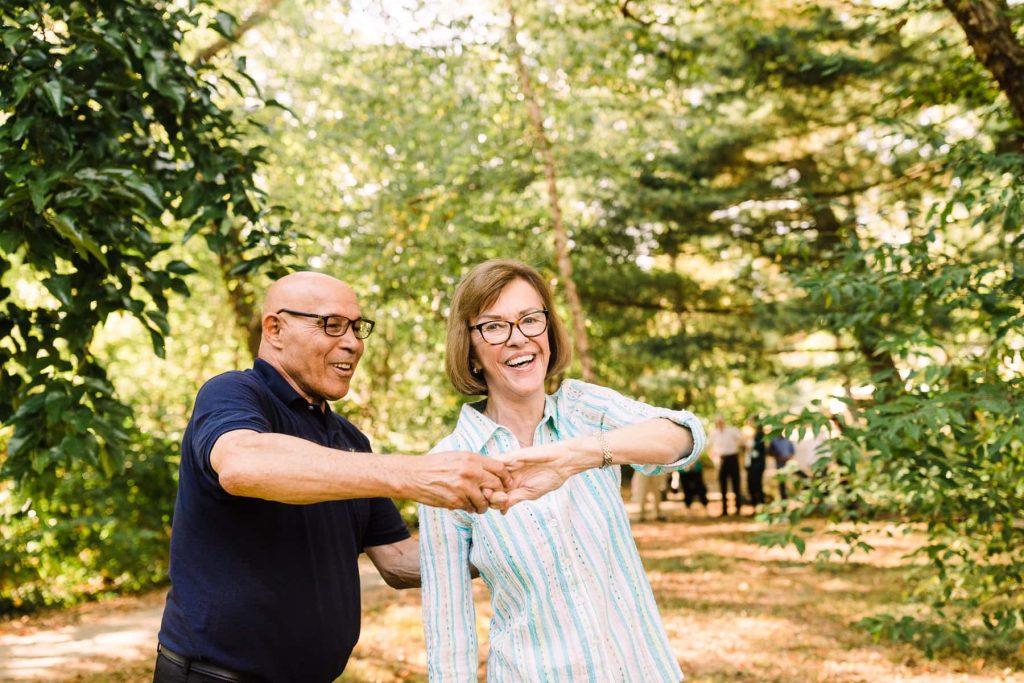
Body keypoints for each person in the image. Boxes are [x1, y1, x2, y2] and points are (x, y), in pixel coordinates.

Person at [154, 272, 513, 683]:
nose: (353, 343)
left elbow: (397, 562)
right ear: (275, 329)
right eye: (332, 325)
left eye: (357, 328)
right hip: (213, 676)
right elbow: (243, 465)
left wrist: (502, 548)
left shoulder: (349, 439)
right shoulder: (234, 393)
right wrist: (414, 472)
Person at [418, 259, 707, 682]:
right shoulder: (451, 463)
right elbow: (449, 633)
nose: (519, 339)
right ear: (471, 349)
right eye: (494, 326)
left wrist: (579, 455)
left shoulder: (585, 410)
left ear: (548, 331)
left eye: (531, 320)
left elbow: (685, 436)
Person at [708, 415, 745, 515]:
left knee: (736, 483)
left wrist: (740, 452)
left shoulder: (732, 431)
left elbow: (742, 441)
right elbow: (709, 447)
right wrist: (714, 459)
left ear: (724, 422)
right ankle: (724, 510)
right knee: (722, 485)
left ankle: (738, 509)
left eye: (721, 422)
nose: (719, 424)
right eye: (717, 422)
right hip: (721, 460)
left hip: (732, 458)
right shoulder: (713, 433)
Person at [746, 421, 768, 508]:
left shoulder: (760, 435)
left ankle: (759, 505)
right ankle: (756, 505)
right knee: (754, 485)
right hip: (753, 465)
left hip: (756, 465)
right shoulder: (755, 435)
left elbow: (757, 451)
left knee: (756, 485)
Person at [768, 431, 796, 500]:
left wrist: (788, 457)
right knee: (782, 482)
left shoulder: (788, 440)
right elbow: (770, 452)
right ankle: (784, 498)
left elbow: (793, 451)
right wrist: (779, 457)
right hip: (780, 464)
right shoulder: (773, 441)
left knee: (797, 475)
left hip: (789, 463)